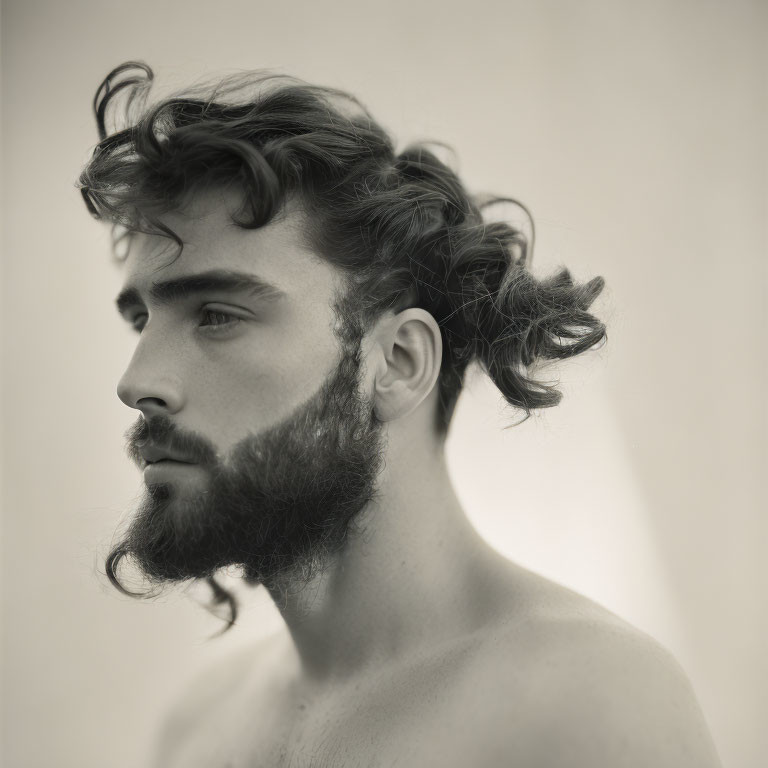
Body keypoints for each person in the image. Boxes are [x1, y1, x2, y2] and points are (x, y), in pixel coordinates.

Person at [78, 61, 721, 768]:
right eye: (142, 318)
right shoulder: (198, 728)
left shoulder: (585, 706)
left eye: (218, 315)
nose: (137, 381)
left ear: (398, 362)